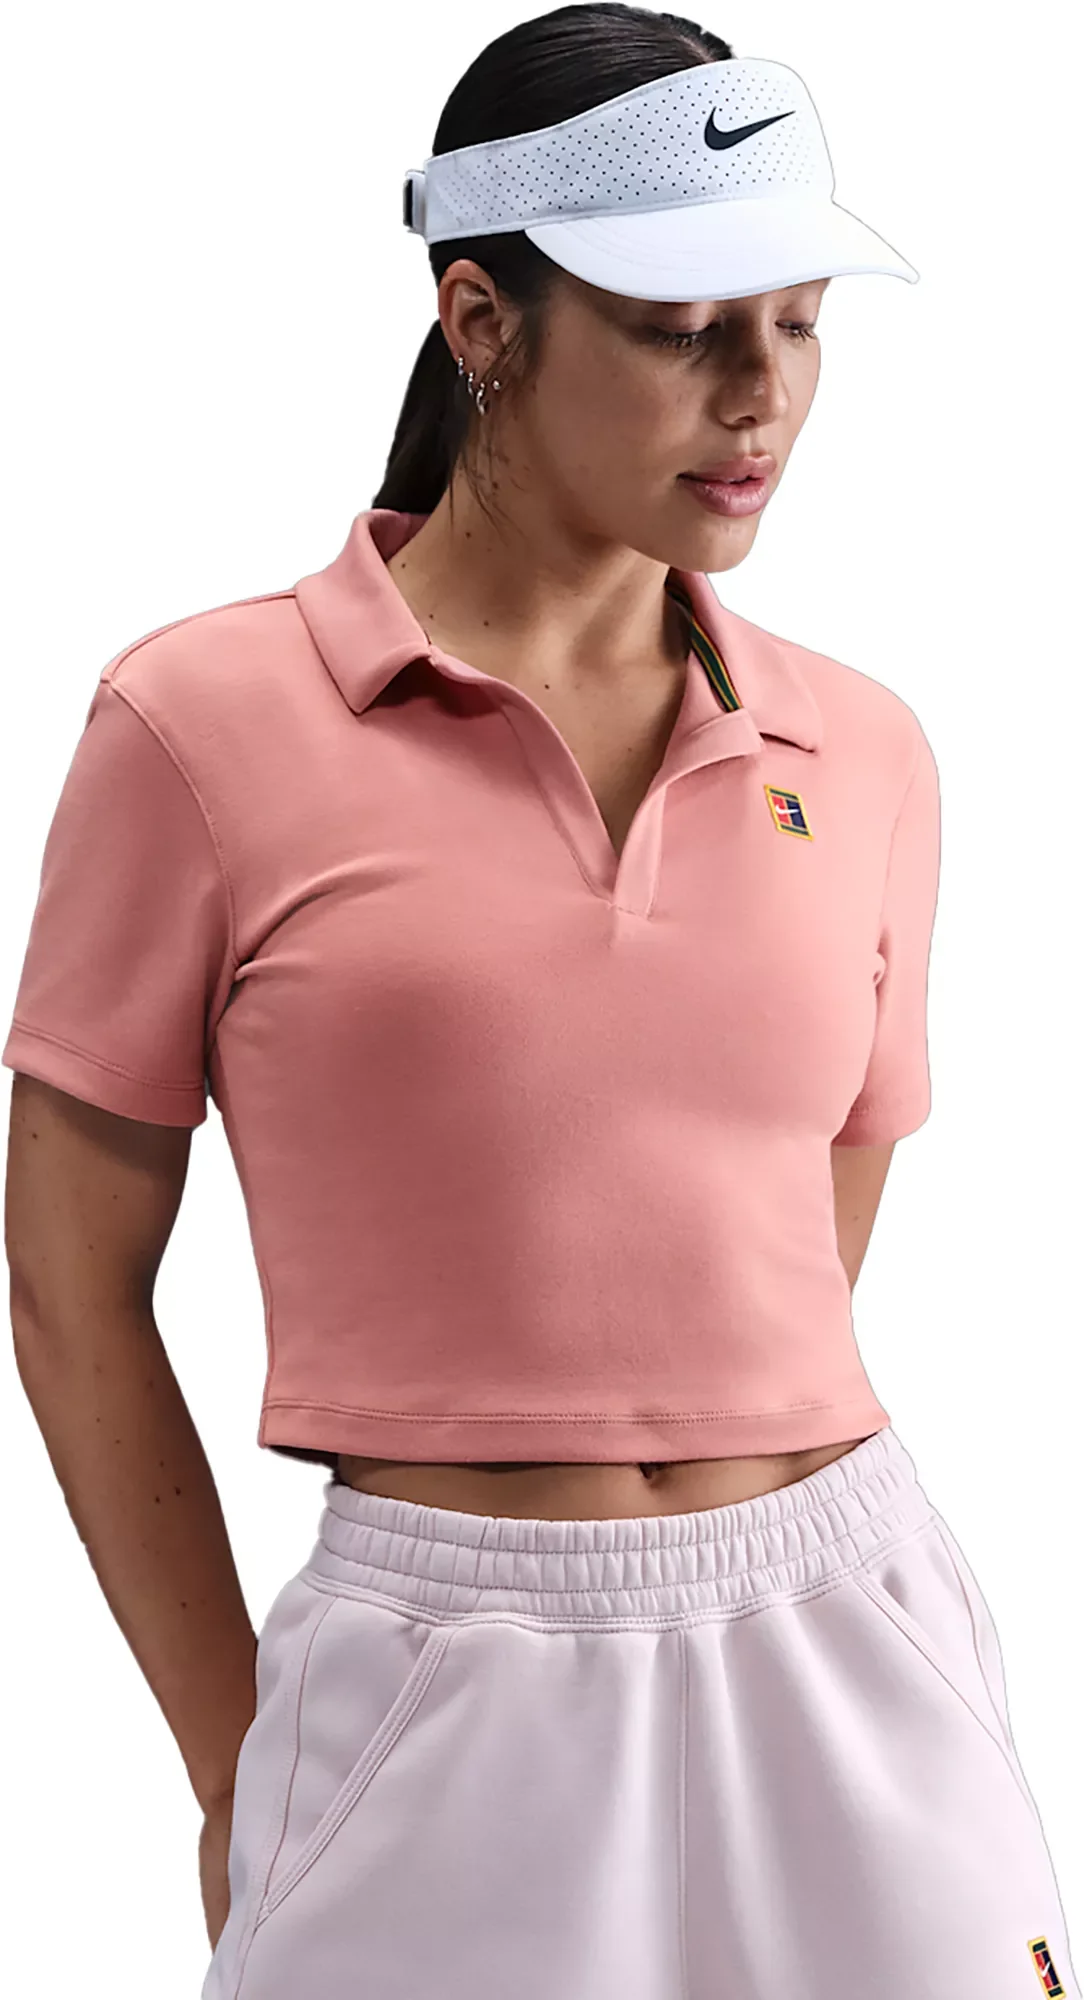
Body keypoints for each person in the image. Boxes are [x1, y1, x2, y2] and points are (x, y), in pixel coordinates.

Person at [2, 7, 1078, 1996]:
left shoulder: (862, 750)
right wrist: (233, 1755)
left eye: (798, 324)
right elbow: (71, 1288)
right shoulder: (196, 725)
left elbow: (801, 1224)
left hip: (846, 1631)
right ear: (481, 319)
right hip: (435, 1675)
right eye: (683, 331)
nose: (760, 397)